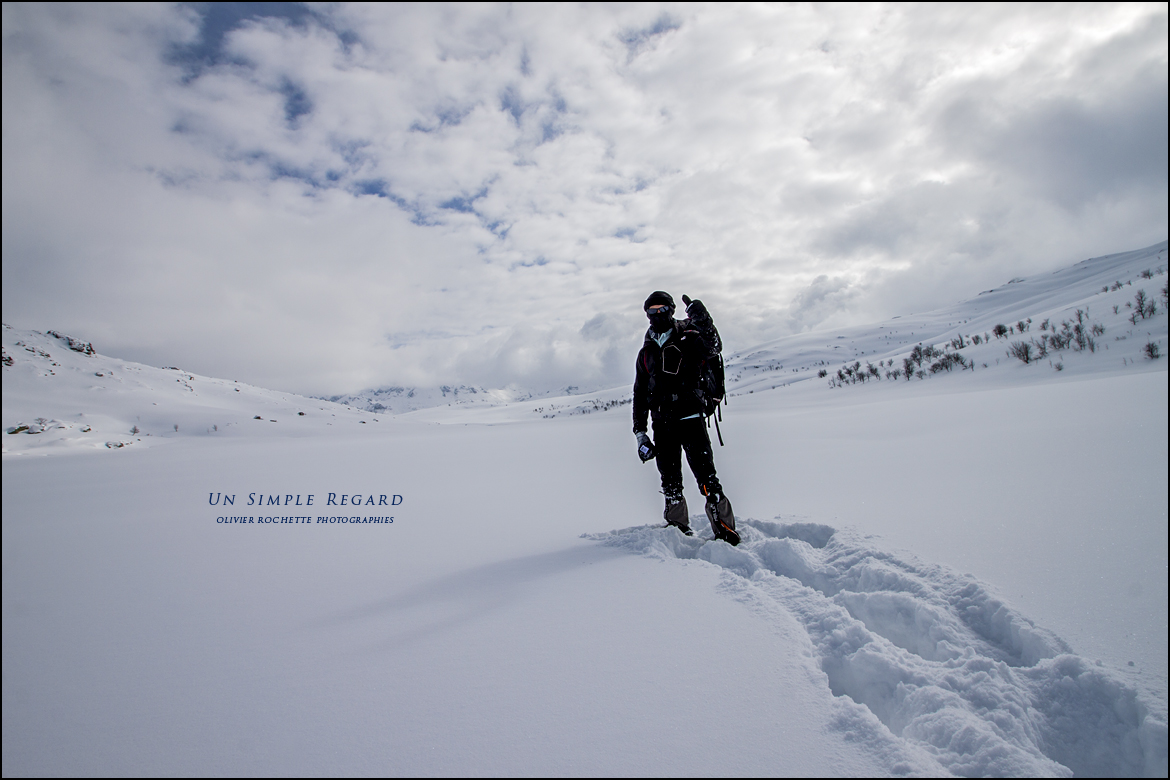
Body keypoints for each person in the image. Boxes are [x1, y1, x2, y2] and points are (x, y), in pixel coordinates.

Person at [632, 291, 739, 545]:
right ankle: (677, 528)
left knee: (706, 477)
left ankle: (724, 528)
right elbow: (639, 393)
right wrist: (640, 433)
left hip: (690, 417)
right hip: (661, 423)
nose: (657, 315)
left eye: (662, 309)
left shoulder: (690, 337)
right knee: (669, 481)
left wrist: (703, 319)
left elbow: (714, 347)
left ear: (671, 309)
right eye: (652, 311)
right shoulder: (646, 352)